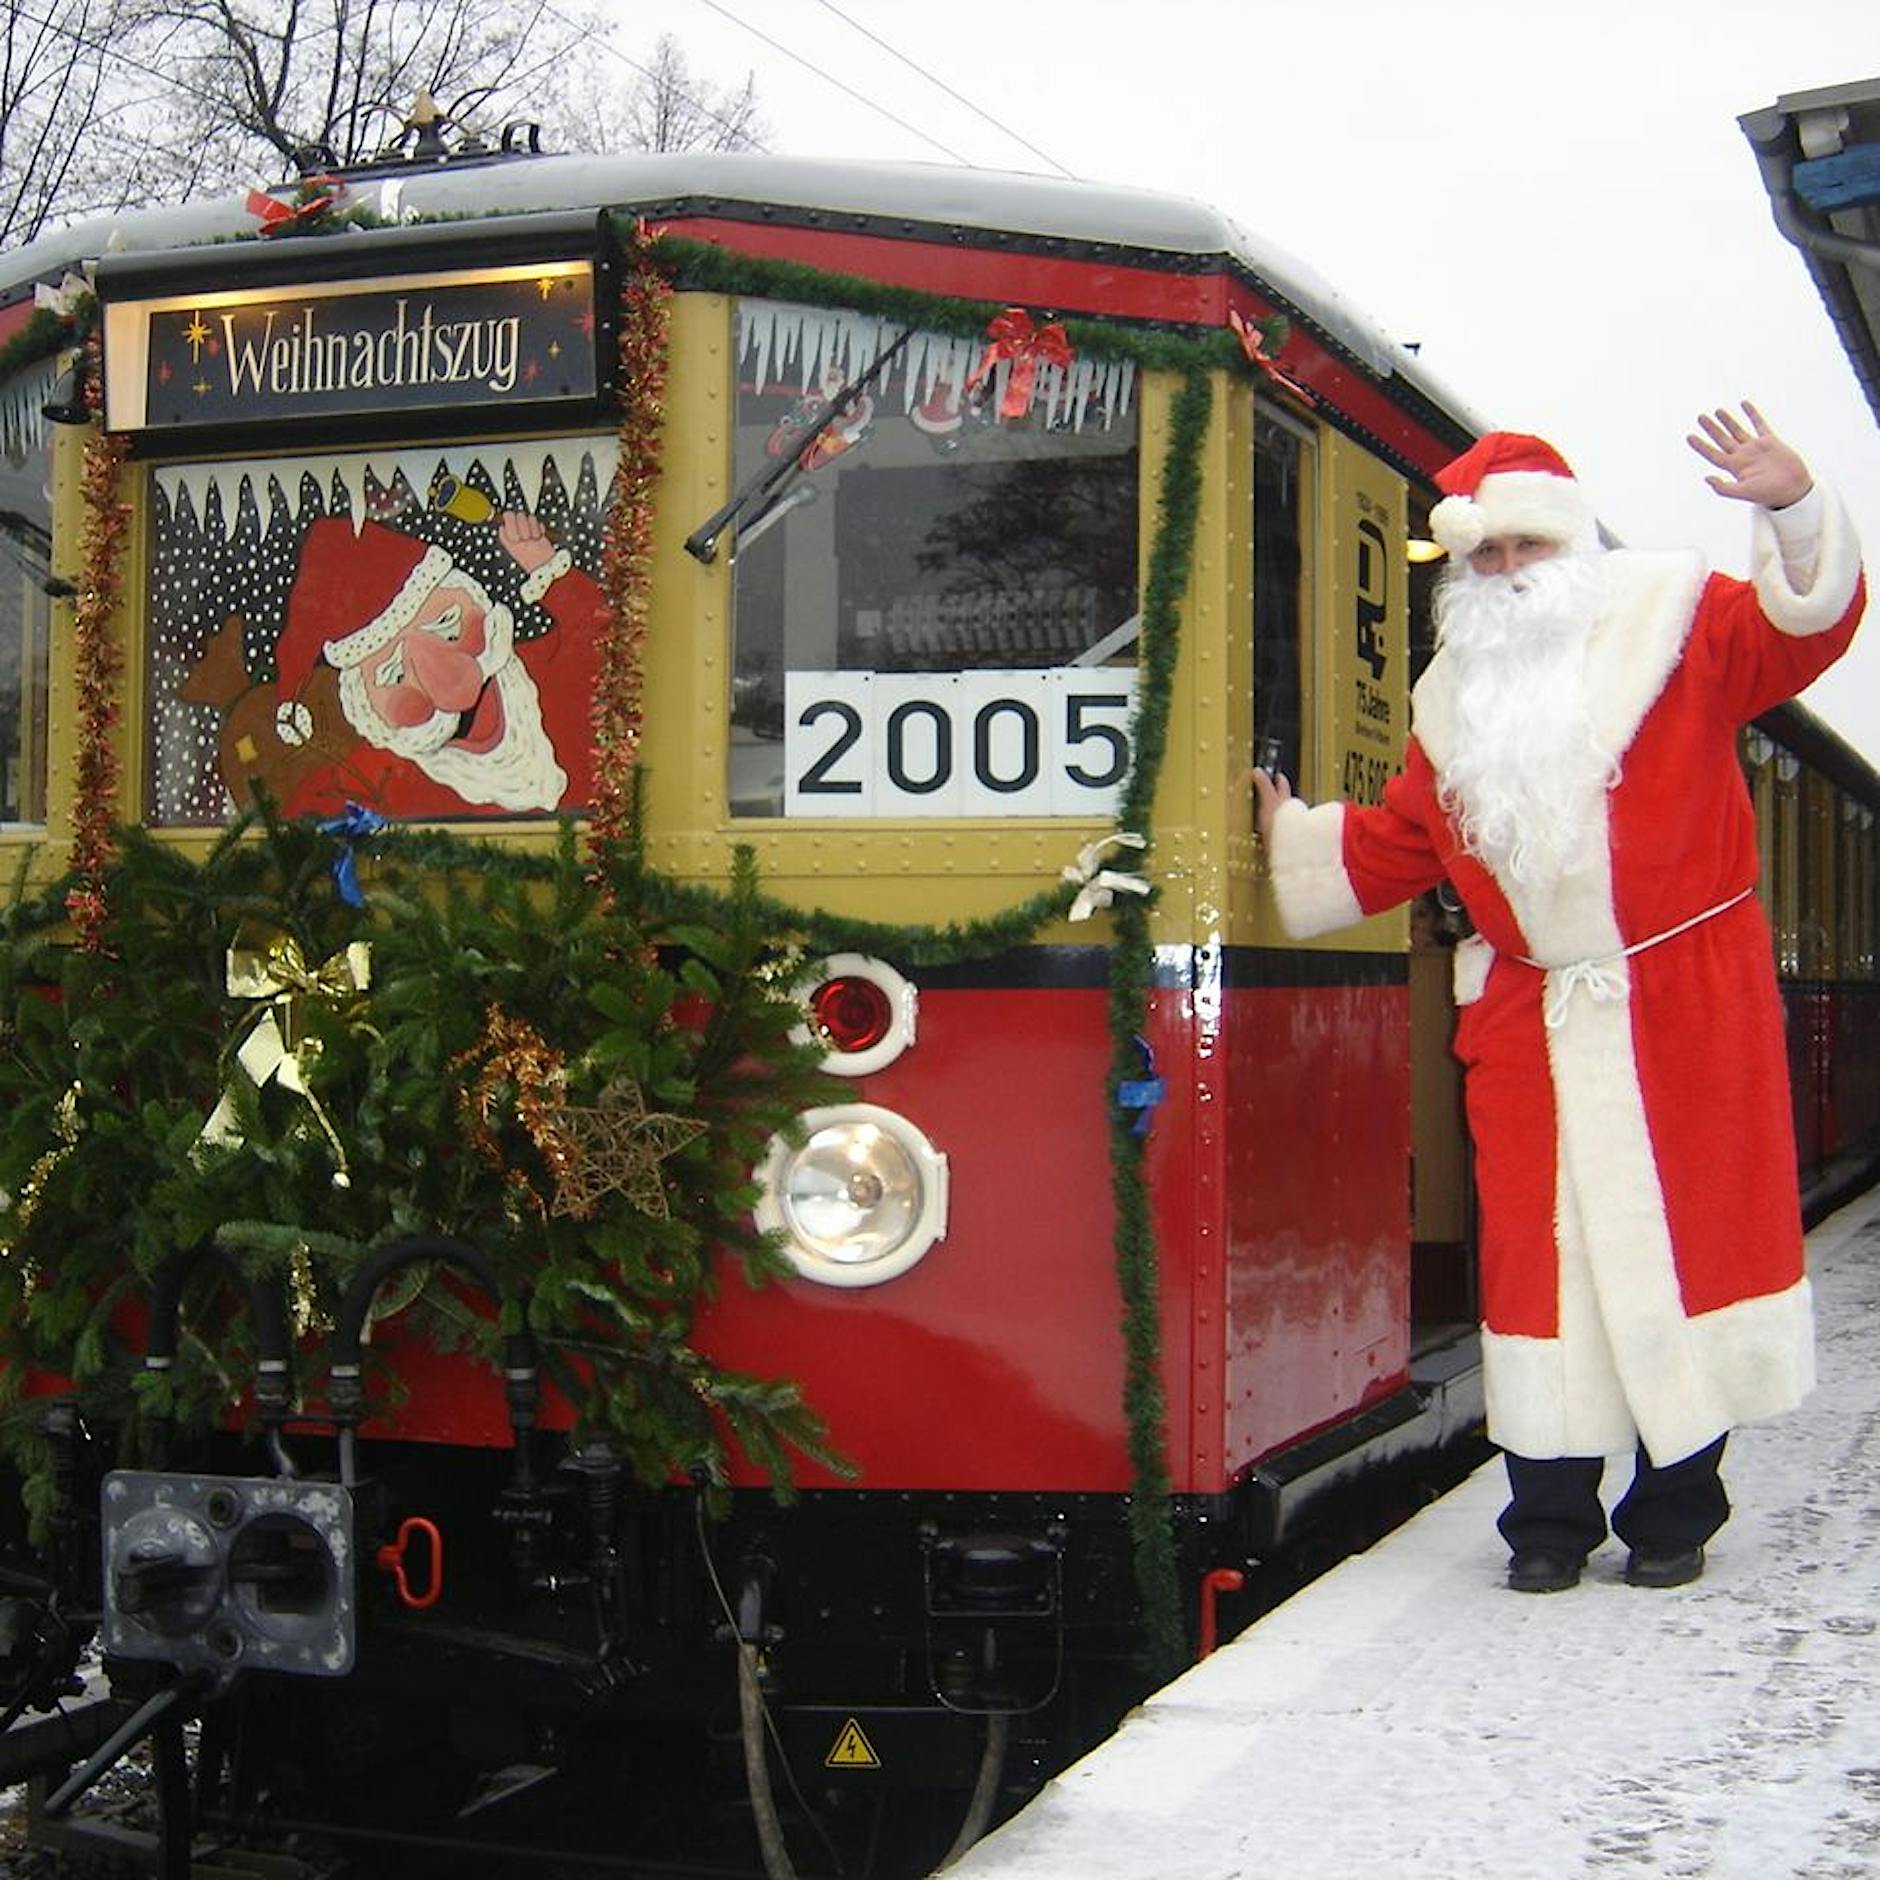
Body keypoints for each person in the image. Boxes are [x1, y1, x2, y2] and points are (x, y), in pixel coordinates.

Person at [1251, 406, 1865, 1594]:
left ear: (1569, 543)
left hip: (1683, 998)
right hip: (1529, 1012)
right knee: (1540, 1261)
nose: (1502, 572)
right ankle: (1546, 1518)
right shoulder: (1451, 702)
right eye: (1482, 555)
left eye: (1522, 546)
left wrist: (1788, 503)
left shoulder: (1677, 624)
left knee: (1683, 1240)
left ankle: (1675, 1504)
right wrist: (1289, 833)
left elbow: (1806, 626)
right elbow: (1398, 842)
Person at [267, 511, 605, 819]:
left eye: (447, 624)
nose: (438, 675)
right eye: (393, 673)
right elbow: (300, 823)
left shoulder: (550, 672)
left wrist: (549, 572)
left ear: (473, 598)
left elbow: (612, 642)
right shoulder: (373, 782)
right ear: (366, 704)